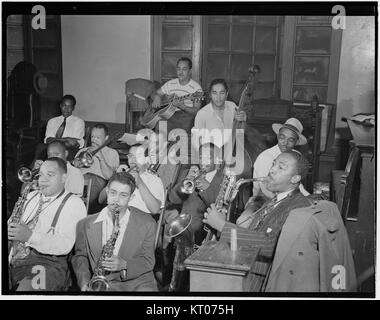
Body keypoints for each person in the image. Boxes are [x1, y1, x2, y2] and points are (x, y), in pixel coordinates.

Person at [203, 151, 314, 291]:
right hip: (245, 268)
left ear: (295, 178)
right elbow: (254, 234)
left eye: (281, 167)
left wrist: (222, 226)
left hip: (259, 281)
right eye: (273, 164)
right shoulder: (276, 199)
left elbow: (272, 244)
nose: (272, 169)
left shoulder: (299, 206)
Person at [8, 157, 87, 291]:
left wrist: (29, 236)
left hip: (47, 263)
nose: (42, 180)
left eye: (50, 175)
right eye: (40, 175)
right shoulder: (31, 196)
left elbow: (65, 245)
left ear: (63, 178)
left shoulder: (75, 203)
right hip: (14, 257)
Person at [72, 172, 158, 291]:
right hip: (102, 283)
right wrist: (84, 282)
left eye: (123, 195)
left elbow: (148, 261)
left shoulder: (148, 223)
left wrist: (125, 265)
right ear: (107, 192)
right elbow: (80, 258)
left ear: (131, 197)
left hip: (138, 282)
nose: (116, 200)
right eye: (113, 193)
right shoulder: (85, 224)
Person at [237, 117, 310, 227]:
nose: (285, 143)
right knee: (243, 223)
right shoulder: (266, 157)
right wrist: (288, 205)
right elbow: (267, 189)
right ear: (277, 136)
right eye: (282, 137)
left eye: (290, 140)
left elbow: (298, 186)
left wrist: (310, 200)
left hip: (287, 199)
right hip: (261, 200)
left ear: (296, 142)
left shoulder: (296, 156)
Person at [191, 78, 247, 164]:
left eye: (222, 93)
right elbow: (196, 143)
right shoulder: (202, 114)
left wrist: (243, 120)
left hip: (230, 154)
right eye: (214, 93)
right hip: (211, 159)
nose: (218, 97)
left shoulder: (232, 107)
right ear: (210, 94)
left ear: (227, 94)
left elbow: (241, 132)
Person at [73, 123, 120, 213]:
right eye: (92, 137)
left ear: (106, 138)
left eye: (98, 138)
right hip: (79, 180)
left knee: (91, 181)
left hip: (97, 182)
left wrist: (101, 157)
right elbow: (74, 170)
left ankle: (81, 211)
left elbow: (109, 177)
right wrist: (75, 164)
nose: (94, 140)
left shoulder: (112, 153)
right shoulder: (83, 150)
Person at [151, 57, 203, 135]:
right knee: (160, 123)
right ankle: (162, 145)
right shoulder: (170, 84)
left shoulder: (197, 89)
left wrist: (183, 106)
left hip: (185, 118)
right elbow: (155, 93)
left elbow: (196, 111)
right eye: (178, 69)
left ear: (190, 71)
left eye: (184, 69)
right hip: (168, 115)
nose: (180, 72)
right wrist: (157, 98)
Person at [33, 95, 85, 163]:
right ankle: (33, 169)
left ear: (73, 108)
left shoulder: (79, 122)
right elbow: (48, 140)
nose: (66, 109)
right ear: (60, 106)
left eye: (69, 106)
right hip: (51, 147)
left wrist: (55, 140)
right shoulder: (52, 121)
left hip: (69, 150)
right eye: (64, 105)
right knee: (40, 147)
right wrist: (66, 139)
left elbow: (73, 143)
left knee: (60, 152)